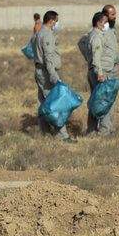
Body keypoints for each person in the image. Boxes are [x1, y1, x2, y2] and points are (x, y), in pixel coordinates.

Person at [31, 10, 77, 143]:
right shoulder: (47, 35)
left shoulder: (38, 33)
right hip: (46, 73)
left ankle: (45, 132)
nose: (56, 24)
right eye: (56, 21)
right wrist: (52, 73)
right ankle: (61, 135)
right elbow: (48, 55)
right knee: (56, 104)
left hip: (39, 70)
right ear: (51, 21)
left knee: (43, 103)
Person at [87, 10, 119, 136]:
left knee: (99, 101)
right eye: (105, 22)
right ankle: (102, 131)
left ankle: (97, 130)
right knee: (103, 101)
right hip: (102, 73)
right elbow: (96, 57)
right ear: (99, 23)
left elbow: (113, 50)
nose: (107, 24)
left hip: (105, 71)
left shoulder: (103, 34)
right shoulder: (96, 37)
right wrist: (99, 73)